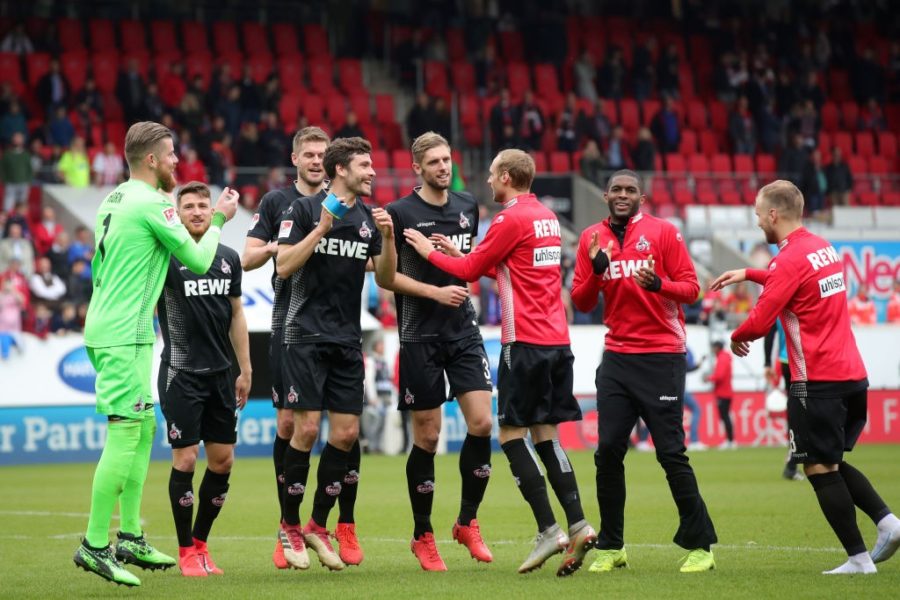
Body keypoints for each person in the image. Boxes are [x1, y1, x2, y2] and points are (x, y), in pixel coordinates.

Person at [404, 149, 596, 576]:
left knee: (510, 435)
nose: (488, 182)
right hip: (558, 343)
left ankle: (549, 528)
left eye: (492, 175)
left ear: (507, 176)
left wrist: (428, 250)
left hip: (523, 340)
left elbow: (471, 269)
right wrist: (456, 250)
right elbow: (513, 269)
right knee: (547, 434)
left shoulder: (510, 218)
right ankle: (579, 523)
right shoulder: (545, 216)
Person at [73, 121, 239, 587]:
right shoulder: (152, 204)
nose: (175, 163)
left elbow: (100, 263)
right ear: (151, 159)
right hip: (123, 334)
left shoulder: (116, 198)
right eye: (170, 156)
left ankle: (129, 535)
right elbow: (202, 260)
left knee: (144, 429)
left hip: (123, 329)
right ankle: (94, 545)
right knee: (126, 434)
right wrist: (222, 216)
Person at [710, 179, 900, 574]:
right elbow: (791, 279)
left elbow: (761, 320)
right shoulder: (821, 248)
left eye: (759, 213)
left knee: (816, 467)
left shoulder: (787, 260)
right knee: (830, 460)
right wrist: (747, 272)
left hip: (815, 380)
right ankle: (888, 523)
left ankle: (859, 559)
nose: (757, 219)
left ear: (774, 215)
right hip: (852, 376)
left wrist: (736, 336)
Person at [570, 169, 718, 574]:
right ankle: (612, 546)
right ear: (605, 195)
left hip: (662, 356)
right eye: (616, 189)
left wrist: (659, 285)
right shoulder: (590, 239)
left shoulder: (664, 233)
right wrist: (599, 270)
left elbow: (691, 288)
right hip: (616, 357)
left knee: (671, 453)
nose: (622, 195)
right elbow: (581, 303)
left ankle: (701, 546)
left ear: (642, 196)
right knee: (607, 454)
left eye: (630, 190)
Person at [275, 137, 396, 571]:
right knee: (305, 430)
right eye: (365, 165)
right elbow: (284, 265)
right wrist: (322, 228)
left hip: (347, 341)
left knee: (345, 436)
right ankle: (289, 526)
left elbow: (384, 279)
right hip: (304, 336)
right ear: (340, 169)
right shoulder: (303, 210)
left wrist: (387, 238)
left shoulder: (367, 218)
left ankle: (316, 525)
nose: (372, 172)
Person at [380, 132, 494, 571]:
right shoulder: (399, 213)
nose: (443, 167)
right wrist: (434, 290)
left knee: (482, 422)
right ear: (418, 168)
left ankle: (467, 521)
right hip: (418, 336)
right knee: (427, 437)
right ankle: (423, 534)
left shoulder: (468, 205)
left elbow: (469, 261)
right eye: (434, 162)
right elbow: (386, 279)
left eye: (447, 160)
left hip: (463, 332)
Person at [242, 126, 332, 569]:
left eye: (323, 154)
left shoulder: (342, 199)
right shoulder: (277, 203)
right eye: (310, 154)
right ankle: (287, 525)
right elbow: (247, 256)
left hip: (337, 329)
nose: (317, 160)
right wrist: (283, 244)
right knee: (287, 425)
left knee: (341, 428)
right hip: (291, 323)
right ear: (295, 158)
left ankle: (332, 524)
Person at [156, 181, 250, 577]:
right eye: (189, 206)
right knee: (187, 457)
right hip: (181, 373)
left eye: (202, 205)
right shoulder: (165, 257)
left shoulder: (228, 257)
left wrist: (245, 368)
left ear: (211, 210)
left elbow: (237, 315)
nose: (196, 211)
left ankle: (201, 543)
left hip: (221, 376)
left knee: (223, 461)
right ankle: (184, 551)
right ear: (177, 214)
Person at [764, 320, 804, 480]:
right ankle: (794, 461)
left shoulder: (779, 301)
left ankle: (793, 458)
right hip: (803, 361)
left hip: (786, 361)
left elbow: (769, 331)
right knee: (805, 410)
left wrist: (767, 363)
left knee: (795, 410)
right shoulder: (805, 300)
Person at [705, 341, 734, 449]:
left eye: (713, 347)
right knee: (725, 417)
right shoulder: (724, 358)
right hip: (726, 392)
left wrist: (708, 378)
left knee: (725, 417)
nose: (712, 350)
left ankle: (730, 441)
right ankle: (730, 440)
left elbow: (719, 376)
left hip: (723, 393)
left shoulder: (722, 359)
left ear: (717, 347)